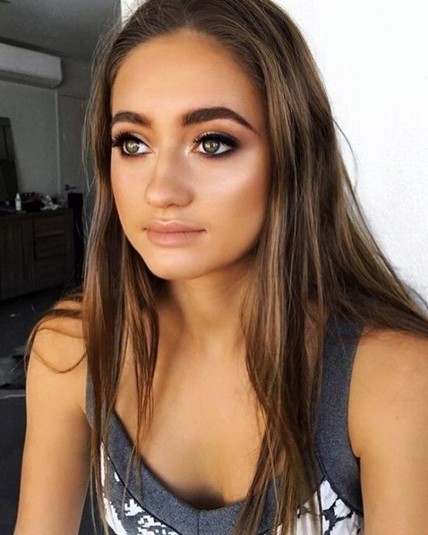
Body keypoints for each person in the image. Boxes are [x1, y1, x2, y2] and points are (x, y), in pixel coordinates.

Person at [13, 0, 428, 534]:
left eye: (212, 143)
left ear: (293, 155)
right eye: (133, 143)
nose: (161, 190)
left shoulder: (395, 379)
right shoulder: (72, 350)